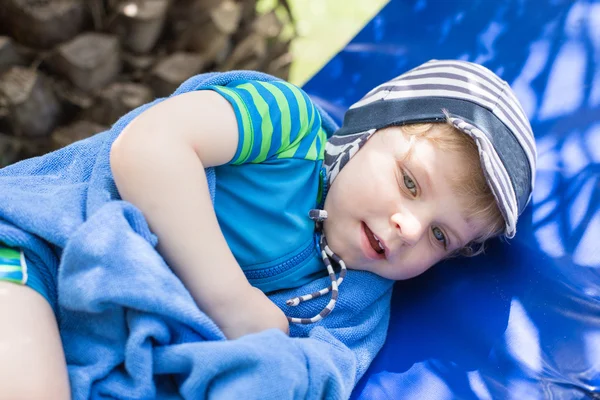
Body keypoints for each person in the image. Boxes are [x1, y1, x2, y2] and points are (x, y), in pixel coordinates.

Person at [0, 59, 536, 399]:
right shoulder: (287, 124)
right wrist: (232, 301)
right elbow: (147, 147)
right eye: (410, 183)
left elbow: (316, 371)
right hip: (36, 249)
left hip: (108, 336)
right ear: (367, 132)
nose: (409, 226)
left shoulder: (359, 296)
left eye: (441, 237)